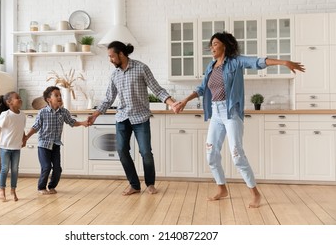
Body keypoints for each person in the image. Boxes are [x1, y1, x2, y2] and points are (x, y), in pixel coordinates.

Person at [173, 31, 305, 208]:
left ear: (225, 45)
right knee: (211, 153)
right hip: (215, 114)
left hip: (231, 113)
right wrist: (184, 101)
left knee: (237, 156)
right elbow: (202, 88)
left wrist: (283, 62)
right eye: (211, 44)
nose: (212, 47)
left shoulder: (236, 62)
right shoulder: (211, 67)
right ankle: (222, 189)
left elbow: (258, 62)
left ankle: (255, 193)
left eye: (215, 44)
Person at [87, 41, 176, 196]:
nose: (110, 60)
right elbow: (109, 98)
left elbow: (157, 89)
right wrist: (95, 115)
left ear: (121, 54)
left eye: (112, 56)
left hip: (140, 117)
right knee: (121, 151)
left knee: (145, 152)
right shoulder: (115, 74)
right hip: (122, 118)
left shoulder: (141, 68)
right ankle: (134, 185)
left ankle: (150, 184)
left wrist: (172, 103)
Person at [24, 86, 88, 195]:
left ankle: (52, 186)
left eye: (60, 95)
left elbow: (72, 122)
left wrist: (83, 123)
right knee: (46, 167)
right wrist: (26, 138)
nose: (59, 97)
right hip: (43, 145)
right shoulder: (42, 112)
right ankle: (41, 187)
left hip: (55, 144)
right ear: (49, 99)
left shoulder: (63, 112)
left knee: (57, 168)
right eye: (56, 95)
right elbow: (35, 127)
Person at [0, 91, 26, 202]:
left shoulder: (22, 115)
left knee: (14, 169)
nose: (20, 99)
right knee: (4, 169)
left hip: (16, 148)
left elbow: (21, 128)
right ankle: (1, 190)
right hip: (5, 147)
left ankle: (13, 190)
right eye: (17, 98)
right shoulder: (6, 115)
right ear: (9, 102)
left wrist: (24, 138)